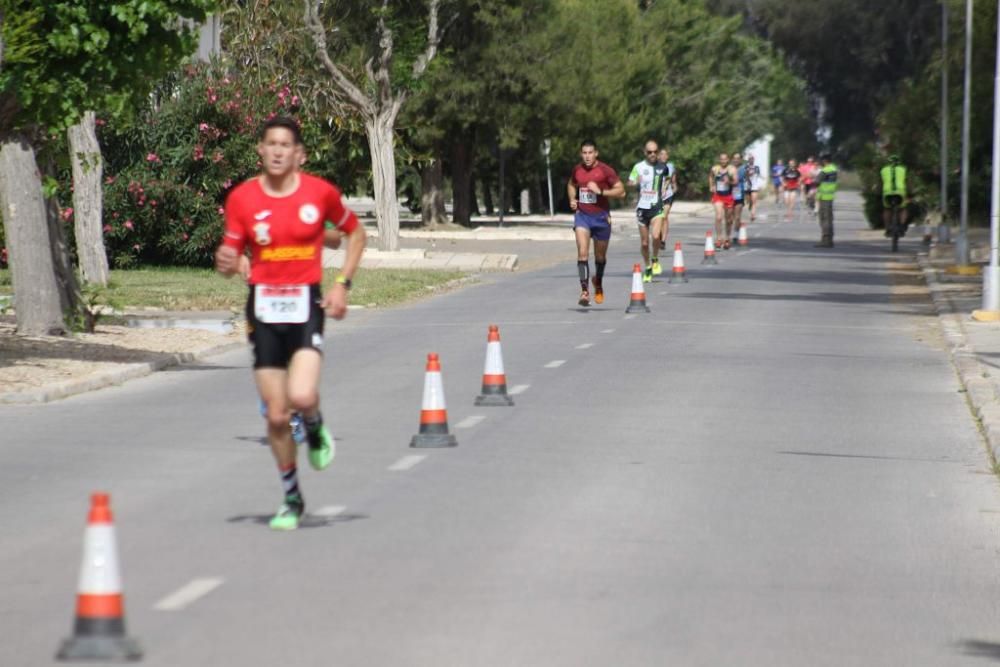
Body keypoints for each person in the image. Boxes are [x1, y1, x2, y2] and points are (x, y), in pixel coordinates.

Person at [215, 116, 366, 531]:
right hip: (262, 309)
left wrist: (342, 286)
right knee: (277, 417)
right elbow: (229, 256)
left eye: (286, 145)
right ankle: (292, 496)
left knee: (301, 396)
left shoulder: (320, 193)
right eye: (271, 144)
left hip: (305, 305)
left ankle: (315, 425)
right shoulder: (242, 199)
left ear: (298, 154)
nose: (278, 151)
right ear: (261, 150)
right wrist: (226, 263)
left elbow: (356, 234)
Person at [568, 139, 625, 306]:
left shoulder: (605, 171)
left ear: (596, 153)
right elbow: (571, 184)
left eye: (590, 153)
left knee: (600, 257)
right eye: (584, 153)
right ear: (581, 154)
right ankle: (584, 291)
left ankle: (598, 282)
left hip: (601, 217)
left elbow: (621, 191)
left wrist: (600, 191)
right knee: (583, 253)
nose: (587, 156)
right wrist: (573, 199)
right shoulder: (577, 170)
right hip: (582, 217)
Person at [628, 140, 667, 282]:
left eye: (655, 152)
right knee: (644, 243)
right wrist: (635, 182)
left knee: (656, 236)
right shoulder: (638, 167)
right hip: (642, 208)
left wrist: (664, 189)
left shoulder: (663, 167)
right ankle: (648, 267)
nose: (652, 154)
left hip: (657, 206)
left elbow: (667, 179)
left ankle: (655, 258)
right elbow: (630, 181)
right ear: (645, 152)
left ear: (658, 152)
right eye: (649, 152)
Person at [709, 153, 736, 249]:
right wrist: (711, 186)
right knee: (719, 217)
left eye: (725, 159)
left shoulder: (732, 169)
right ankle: (719, 239)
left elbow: (736, 182)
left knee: (729, 219)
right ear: (719, 160)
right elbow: (711, 177)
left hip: (728, 196)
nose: (723, 161)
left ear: (728, 160)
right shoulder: (715, 169)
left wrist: (729, 182)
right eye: (721, 159)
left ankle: (727, 238)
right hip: (718, 196)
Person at [880, 154, 909, 237]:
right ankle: (902, 226)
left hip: (887, 192)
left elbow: (882, 181)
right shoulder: (903, 169)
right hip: (900, 192)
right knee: (903, 208)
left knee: (887, 209)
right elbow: (906, 181)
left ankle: (887, 228)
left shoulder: (883, 170)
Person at [815, 152, 838, 247]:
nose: (820, 162)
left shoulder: (826, 170)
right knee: (829, 218)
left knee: (824, 219)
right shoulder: (834, 168)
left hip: (824, 197)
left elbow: (817, 181)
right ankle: (830, 239)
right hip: (830, 196)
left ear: (825, 161)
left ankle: (825, 240)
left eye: (821, 160)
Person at [656, 147, 677, 251]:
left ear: (667, 156)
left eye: (665, 154)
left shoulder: (670, 166)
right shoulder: (654, 166)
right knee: (657, 218)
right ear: (658, 156)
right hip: (656, 196)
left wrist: (666, 187)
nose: (663, 156)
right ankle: (659, 235)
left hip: (667, 195)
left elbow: (669, 178)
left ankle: (663, 240)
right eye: (661, 154)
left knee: (664, 216)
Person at [730, 152, 746, 244]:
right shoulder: (729, 168)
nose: (736, 160)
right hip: (729, 194)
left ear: (740, 159)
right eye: (734, 158)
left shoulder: (743, 169)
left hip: (739, 194)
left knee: (737, 216)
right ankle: (729, 232)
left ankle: (735, 234)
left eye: (738, 158)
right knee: (729, 216)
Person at [745, 155, 764, 222]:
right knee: (748, 201)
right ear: (748, 160)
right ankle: (750, 204)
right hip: (747, 186)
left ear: (754, 160)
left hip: (754, 187)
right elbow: (745, 176)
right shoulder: (746, 167)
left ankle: (753, 215)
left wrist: (761, 183)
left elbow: (759, 176)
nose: (751, 160)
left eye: (752, 159)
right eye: (750, 159)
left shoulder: (756, 168)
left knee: (754, 202)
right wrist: (749, 174)